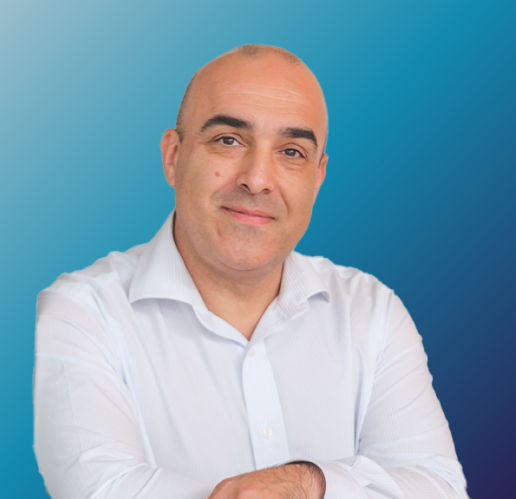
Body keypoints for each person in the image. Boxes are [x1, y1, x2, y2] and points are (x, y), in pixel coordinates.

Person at [34, 44, 469, 499]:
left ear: (318, 178)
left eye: (292, 151)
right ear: (173, 157)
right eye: (229, 140)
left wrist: (310, 484)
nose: (257, 179)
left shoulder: (372, 312)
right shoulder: (81, 312)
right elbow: (101, 489)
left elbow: (437, 488)